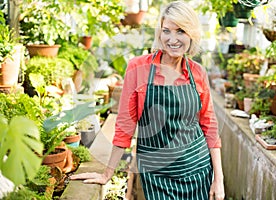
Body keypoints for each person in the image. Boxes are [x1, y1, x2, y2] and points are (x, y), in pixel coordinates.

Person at [70, 1, 225, 199]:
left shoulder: (197, 73)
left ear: (192, 35)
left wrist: (218, 179)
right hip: (156, 173)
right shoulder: (138, 68)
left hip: (197, 169)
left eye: (181, 31)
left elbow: (209, 126)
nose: (173, 39)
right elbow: (126, 124)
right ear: (159, 34)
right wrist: (108, 173)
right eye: (166, 31)